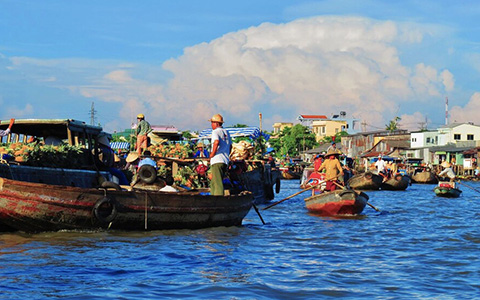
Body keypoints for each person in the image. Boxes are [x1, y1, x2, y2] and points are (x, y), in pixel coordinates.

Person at [208, 113, 232, 196]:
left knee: (217, 183)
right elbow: (230, 146)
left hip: (217, 160)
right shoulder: (226, 132)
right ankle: (213, 196)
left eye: (212, 123)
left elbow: (216, 142)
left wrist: (212, 154)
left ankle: (218, 199)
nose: (211, 125)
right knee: (214, 182)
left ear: (216, 123)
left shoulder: (215, 131)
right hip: (224, 160)